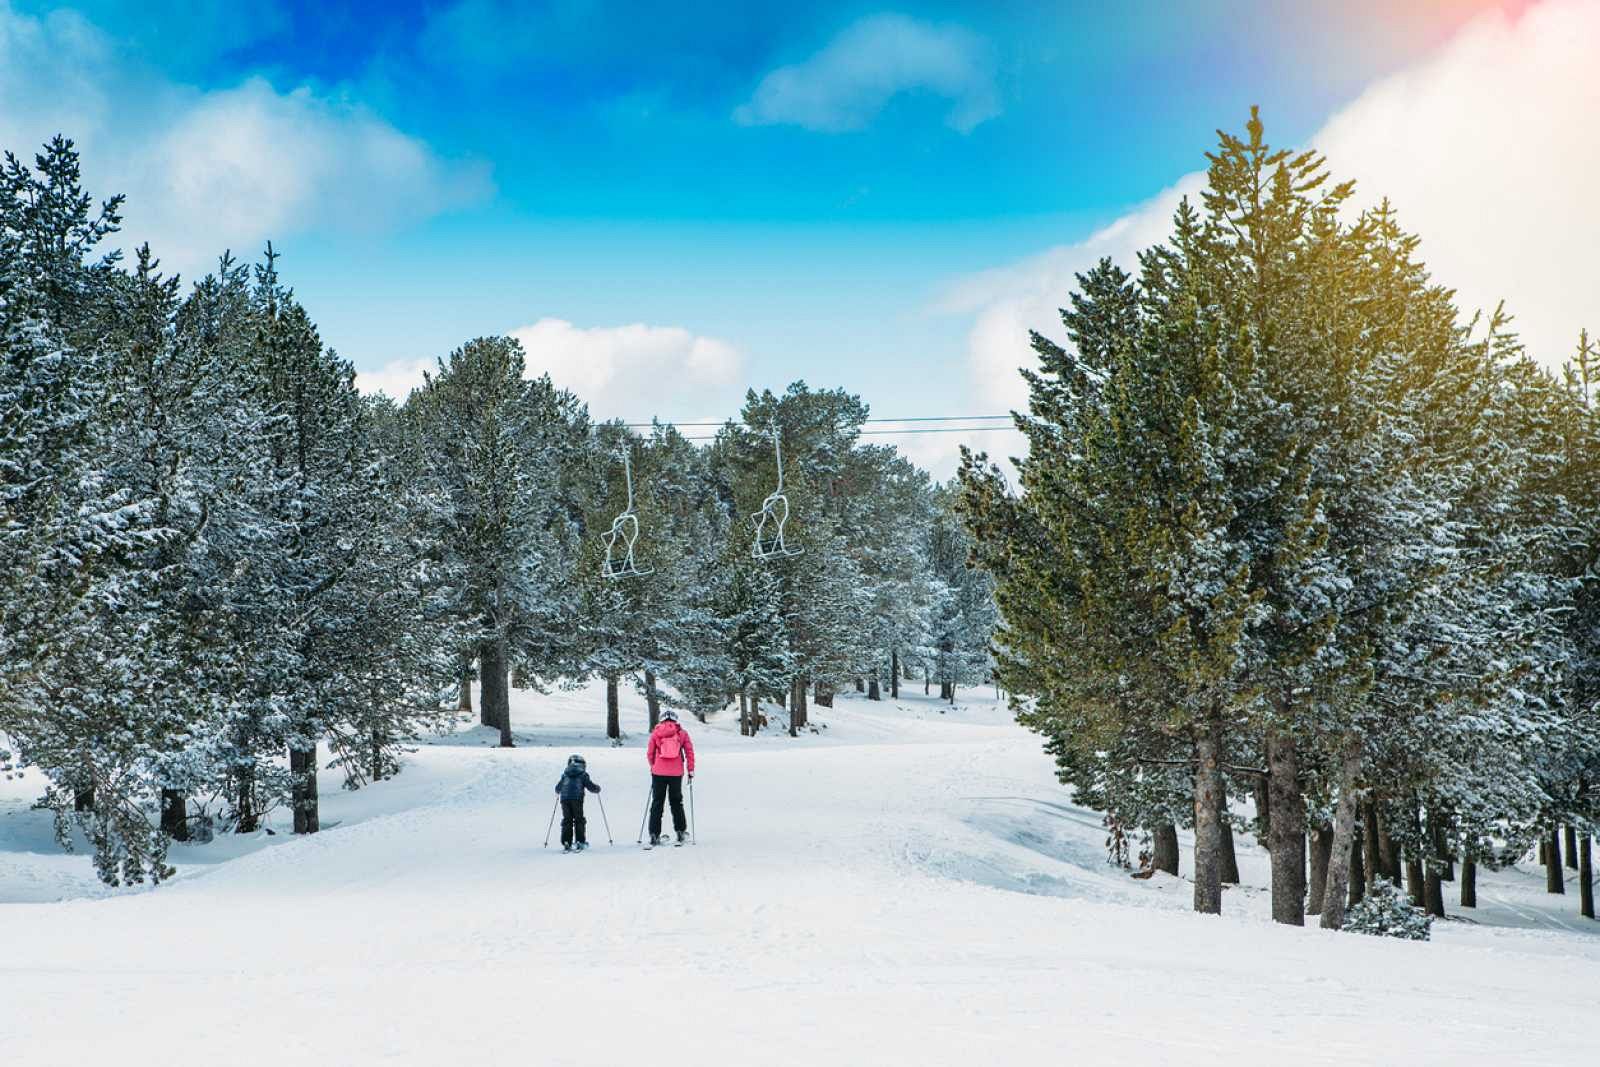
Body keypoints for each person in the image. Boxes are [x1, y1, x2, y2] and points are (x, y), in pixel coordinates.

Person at [646, 709, 695, 846]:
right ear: (675, 720)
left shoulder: (656, 733)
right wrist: (690, 770)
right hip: (676, 773)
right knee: (676, 802)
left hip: (658, 773)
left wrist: (653, 766)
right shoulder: (682, 733)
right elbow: (689, 752)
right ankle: (680, 832)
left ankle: (654, 835)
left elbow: (650, 753)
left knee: (657, 803)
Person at [555, 754, 601, 852]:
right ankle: (580, 841)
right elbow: (590, 786)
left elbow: (558, 788)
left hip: (564, 800)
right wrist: (597, 789)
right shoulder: (583, 774)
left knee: (567, 819)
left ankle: (566, 841)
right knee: (579, 819)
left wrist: (559, 791)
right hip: (577, 799)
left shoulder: (565, 774)